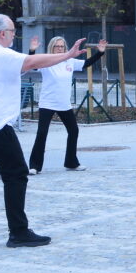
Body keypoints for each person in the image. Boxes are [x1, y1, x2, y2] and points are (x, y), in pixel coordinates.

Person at [0, 14, 86, 247]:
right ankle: (18, 231)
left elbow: (16, 69)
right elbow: (32, 62)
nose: (15, 35)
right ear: (2, 33)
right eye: (13, 31)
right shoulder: (1, 53)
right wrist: (66, 55)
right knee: (16, 174)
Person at [26, 36, 107, 175]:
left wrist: (100, 52)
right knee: (42, 133)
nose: (59, 49)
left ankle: (71, 163)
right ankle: (34, 166)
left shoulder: (70, 61)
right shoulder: (46, 60)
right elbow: (32, 65)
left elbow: (87, 63)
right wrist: (32, 51)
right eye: (57, 46)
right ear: (52, 47)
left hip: (64, 104)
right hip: (48, 103)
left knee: (73, 130)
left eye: (62, 46)